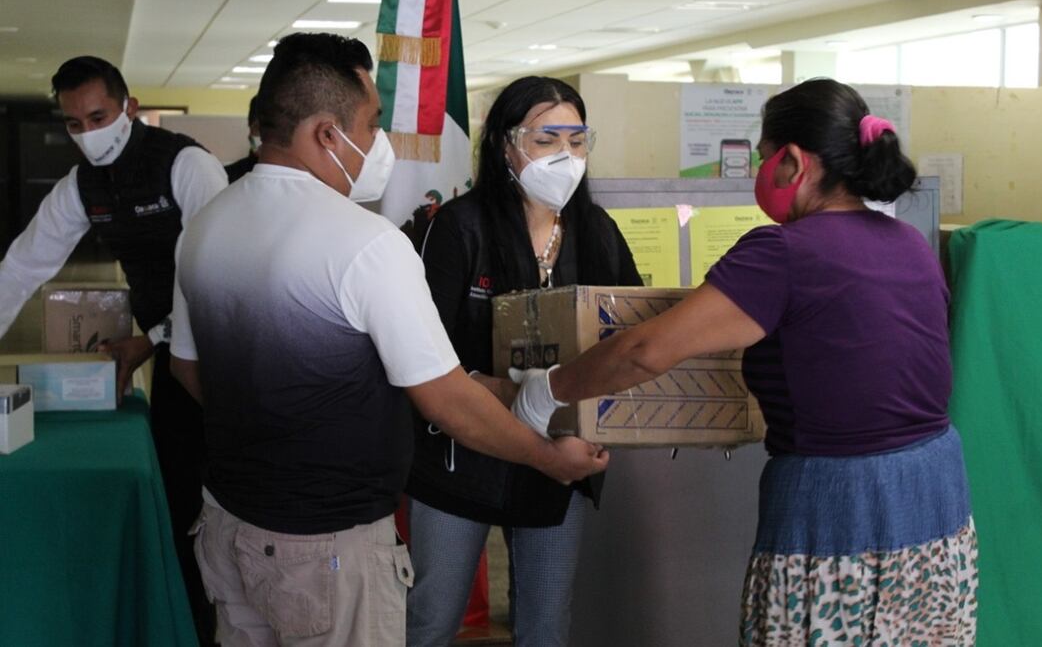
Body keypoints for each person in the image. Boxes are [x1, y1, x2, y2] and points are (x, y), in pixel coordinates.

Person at [168, 34, 607, 647]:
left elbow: (189, 370)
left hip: (228, 520)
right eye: (372, 124)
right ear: (327, 133)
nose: (380, 144)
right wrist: (546, 458)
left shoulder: (205, 226)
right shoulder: (365, 243)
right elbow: (447, 400)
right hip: (329, 548)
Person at [514, 78, 978, 645]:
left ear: (794, 162)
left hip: (840, 504)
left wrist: (546, 390)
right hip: (936, 498)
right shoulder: (909, 242)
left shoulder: (784, 252)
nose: (759, 172)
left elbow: (643, 352)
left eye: (763, 157)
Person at [406, 76, 642, 647]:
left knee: (545, 624)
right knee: (432, 618)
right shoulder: (460, 227)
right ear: (505, 146)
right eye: (545, 139)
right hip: (460, 453)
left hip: (559, 461)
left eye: (577, 140)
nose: (565, 155)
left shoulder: (597, 231)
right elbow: (422, 355)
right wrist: (509, 394)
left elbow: (631, 336)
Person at [0, 55, 227, 645]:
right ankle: (183, 624)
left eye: (98, 116)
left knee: (224, 490)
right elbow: (21, 268)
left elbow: (215, 277)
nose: (88, 134)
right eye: (74, 124)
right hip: (169, 354)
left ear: (128, 108)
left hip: (227, 352)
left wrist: (148, 342)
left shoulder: (188, 165)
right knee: (176, 493)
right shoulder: (81, 186)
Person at [224, 95, 260, 182]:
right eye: (259, 129)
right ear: (251, 129)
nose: (268, 138)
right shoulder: (226, 176)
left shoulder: (295, 179)